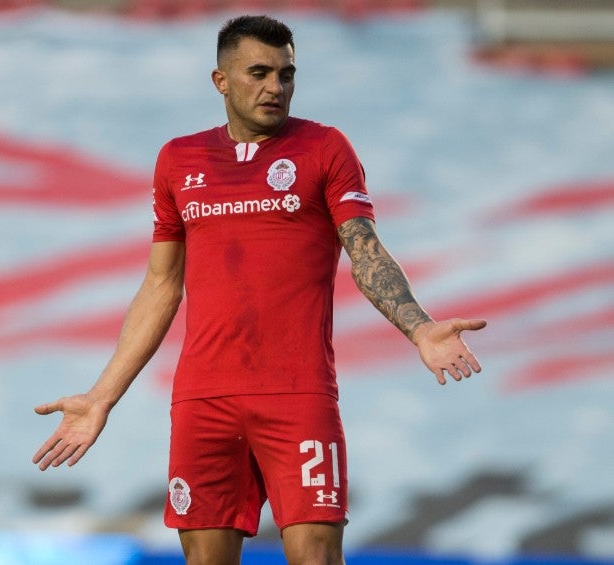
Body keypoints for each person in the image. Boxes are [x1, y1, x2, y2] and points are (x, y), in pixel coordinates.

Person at [33, 15, 486, 565]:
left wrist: (419, 326)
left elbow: (364, 248)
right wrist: (102, 395)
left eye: (287, 73)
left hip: (298, 394)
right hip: (205, 397)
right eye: (259, 72)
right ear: (221, 81)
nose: (277, 86)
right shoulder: (179, 160)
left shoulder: (325, 147)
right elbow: (160, 284)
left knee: (317, 557)